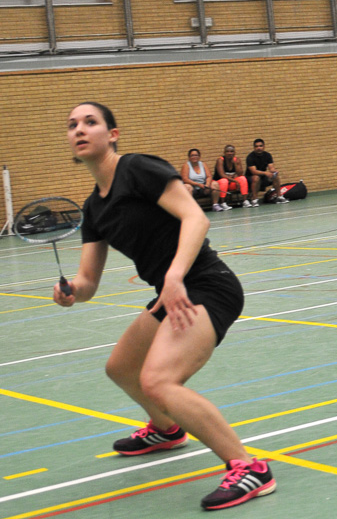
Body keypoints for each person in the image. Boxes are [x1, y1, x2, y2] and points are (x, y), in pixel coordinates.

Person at [58, 102, 275, 510]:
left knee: (158, 381)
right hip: (170, 292)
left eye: (90, 122)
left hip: (206, 284)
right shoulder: (94, 208)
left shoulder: (138, 169)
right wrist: (71, 291)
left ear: (113, 134)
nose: (79, 130)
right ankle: (167, 429)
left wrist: (174, 276)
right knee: (121, 368)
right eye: (72, 125)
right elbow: (88, 282)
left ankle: (250, 468)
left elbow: (196, 218)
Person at [245, 138, 287, 205]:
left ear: (264, 146)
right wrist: (265, 173)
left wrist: (274, 171)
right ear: (254, 147)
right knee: (256, 178)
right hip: (250, 178)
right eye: (256, 146)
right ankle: (254, 199)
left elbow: (271, 167)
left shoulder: (267, 155)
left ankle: (279, 196)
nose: (259, 148)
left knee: (275, 176)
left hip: (262, 177)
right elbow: (253, 171)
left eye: (260, 146)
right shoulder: (250, 157)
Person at [212, 145, 250, 210]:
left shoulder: (237, 160)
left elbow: (240, 173)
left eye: (232, 151)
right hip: (220, 183)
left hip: (231, 183)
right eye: (227, 151)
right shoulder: (220, 160)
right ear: (224, 152)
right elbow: (222, 175)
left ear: (234, 153)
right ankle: (222, 203)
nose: (229, 153)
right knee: (224, 181)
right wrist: (235, 181)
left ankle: (245, 201)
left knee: (242, 178)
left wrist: (235, 164)